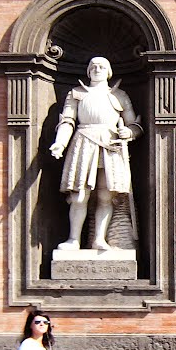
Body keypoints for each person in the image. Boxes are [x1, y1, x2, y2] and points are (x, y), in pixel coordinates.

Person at [49, 56, 142, 251]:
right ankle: (73, 239)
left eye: (101, 66)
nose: (97, 69)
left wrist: (130, 132)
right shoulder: (76, 93)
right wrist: (60, 142)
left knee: (106, 196)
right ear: (88, 71)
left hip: (111, 144)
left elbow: (135, 124)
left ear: (108, 71)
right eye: (93, 66)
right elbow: (67, 121)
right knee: (79, 195)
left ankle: (99, 239)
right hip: (84, 141)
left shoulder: (120, 95)